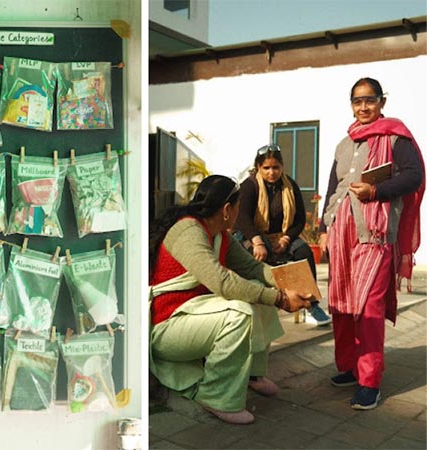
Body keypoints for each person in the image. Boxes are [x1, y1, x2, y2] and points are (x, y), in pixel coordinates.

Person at [149, 175, 311, 424]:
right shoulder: (188, 230)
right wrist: (279, 299)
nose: (240, 214)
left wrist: (291, 286)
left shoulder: (219, 235)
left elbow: (254, 269)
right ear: (227, 210)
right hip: (167, 328)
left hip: (195, 317)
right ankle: (215, 396)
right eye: (238, 207)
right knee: (239, 312)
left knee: (257, 288)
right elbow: (222, 281)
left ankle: (253, 375)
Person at [319, 77, 424, 410]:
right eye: (357, 101)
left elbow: (414, 176)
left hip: (375, 236)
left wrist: (376, 191)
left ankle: (370, 381)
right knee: (341, 304)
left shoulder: (396, 137)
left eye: (370, 100)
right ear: (351, 104)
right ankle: (349, 367)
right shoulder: (344, 142)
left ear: (382, 101)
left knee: (368, 307)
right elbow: (334, 185)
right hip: (340, 234)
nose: (363, 107)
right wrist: (324, 226)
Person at [234, 144, 332, 326]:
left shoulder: (290, 185)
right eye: (267, 168)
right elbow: (242, 217)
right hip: (253, 236)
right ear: (258, 167)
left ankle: (310, 304)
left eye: (276, 167)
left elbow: (299, 219)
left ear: (282, 166)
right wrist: (257, 241)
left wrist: (286, 239)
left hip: (282, 237)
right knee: (258, 255)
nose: (272, 172)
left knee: (303, 251)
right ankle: (261, 304)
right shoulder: (249, 186)